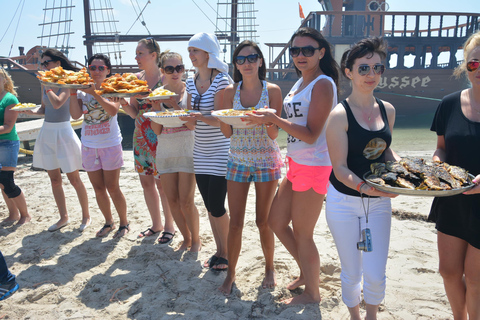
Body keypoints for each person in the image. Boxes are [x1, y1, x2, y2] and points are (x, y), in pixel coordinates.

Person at [325, 37, 399, 319]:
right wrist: (370, 189)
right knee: (352, 269)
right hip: (343, 201)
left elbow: (385, 150)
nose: (372, 75)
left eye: (378, 68)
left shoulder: (387, 110)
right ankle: (355, 315)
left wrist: (407, 172)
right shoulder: (338, 116)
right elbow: (340, 169)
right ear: (349, 72)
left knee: (376, 271)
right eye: (364, 68)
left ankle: (371, 315)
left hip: (378, 203)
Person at [217, 40, 283, 295]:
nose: (247, 63)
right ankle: (231, 274)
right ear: (235, 64)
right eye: (241, 59)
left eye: (252, 57)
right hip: (238, 160)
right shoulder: (229, 93)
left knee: (263, 222)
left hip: (267, 160)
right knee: (235, 223)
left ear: (260, 61)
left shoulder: (273, 90)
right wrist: (224, 116)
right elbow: (226, 132)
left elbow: (275, 134)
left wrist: (267, 119)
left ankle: (269, 267)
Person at [430, 30, 480, 320]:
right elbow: (441, 148)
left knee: (475, 279)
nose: (478, 70)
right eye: (473, 64)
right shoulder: (449, 104)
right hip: (452, 198)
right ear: (465, 65)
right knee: (448, 271)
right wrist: (437, 165)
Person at [23, 49, 90, 232]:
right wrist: (28, 111)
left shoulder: (66, 82)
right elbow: (45, 109)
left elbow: (58, 103)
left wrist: (48, 85)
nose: (43, 67)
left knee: (74, 179)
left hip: (63, 132)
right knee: (54, 180)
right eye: (41, 64)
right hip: (47, 131)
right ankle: (63, 217)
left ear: (57, 64)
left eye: (46, 63)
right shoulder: (45, 84)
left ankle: (86, 216)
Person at [115, 38, 174, 239]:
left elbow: (173, 106)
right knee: (146, 183)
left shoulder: (165, 77)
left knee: (163, 185)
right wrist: (122, 101)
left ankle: (169, 227)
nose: (136, 57)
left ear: (153, 55)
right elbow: (134, 111)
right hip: (140, 135)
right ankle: (156, 225)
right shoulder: (135, 79)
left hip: (162, 134)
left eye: (140, 53)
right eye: (136, 53)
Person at [69, 54, 129, 238]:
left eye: (100, 68)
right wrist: (72, 91)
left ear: (107, 71)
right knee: (98, 188)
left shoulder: (113, 89)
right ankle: (109, 222)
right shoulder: (81, 91)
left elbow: (112, 111)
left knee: (113, 187)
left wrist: (94, 93)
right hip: (88, 144)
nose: (96, 71)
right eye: (92, 67)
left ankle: (124, 223)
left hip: (110, 144)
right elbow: (76, 115)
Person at [184, 32, 232, 253]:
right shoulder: (190, 82)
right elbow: (192, 123)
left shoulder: (221, 80)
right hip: (200, 151)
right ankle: (220, 250)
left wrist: (199, 117)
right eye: (190, 50)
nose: (191, 54)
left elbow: (223, 121)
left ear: (208, 53)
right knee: (209, 207)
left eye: (195, 50)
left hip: (221, 151)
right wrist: (183, 118)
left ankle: (226, 252)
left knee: (217, 206)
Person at [149, 51, 197, 245]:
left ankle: (196, 240)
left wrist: (174, 104)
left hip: (187, 149)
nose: (175, 72)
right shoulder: (157, 93)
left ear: (184, 69)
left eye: (179, 68)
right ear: (162, 71)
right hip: (166, 150)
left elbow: (193, 125)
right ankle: (186, 238)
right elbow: (157, 130)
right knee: (173, 200)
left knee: (186, 200)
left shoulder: (190, 92)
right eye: (170, 69)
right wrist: (155, 109)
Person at [0, 68, 31, 225]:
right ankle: (13, 214)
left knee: (7, 181)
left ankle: (25, 214)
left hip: (7, 143)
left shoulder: (10, 99)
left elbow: (8, 126)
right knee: (1, 182)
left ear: (4, 80)